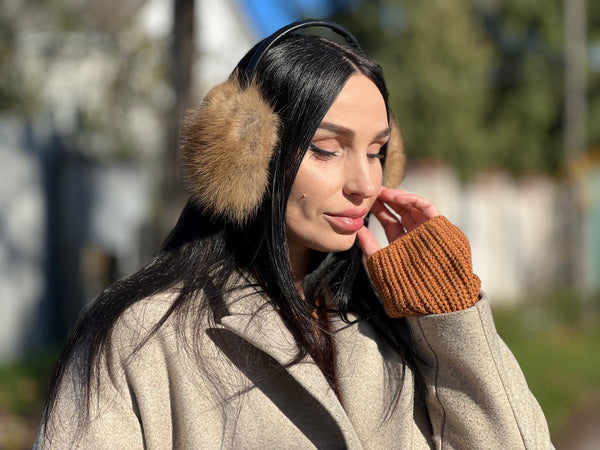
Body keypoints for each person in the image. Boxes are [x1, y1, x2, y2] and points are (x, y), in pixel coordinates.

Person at [35, 19, 553, 449]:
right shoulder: (141, 338)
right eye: (328, 149)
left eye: (376, 152)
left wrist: (447, 311)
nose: (366, 184)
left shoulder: (393, 322)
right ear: (247, 154)